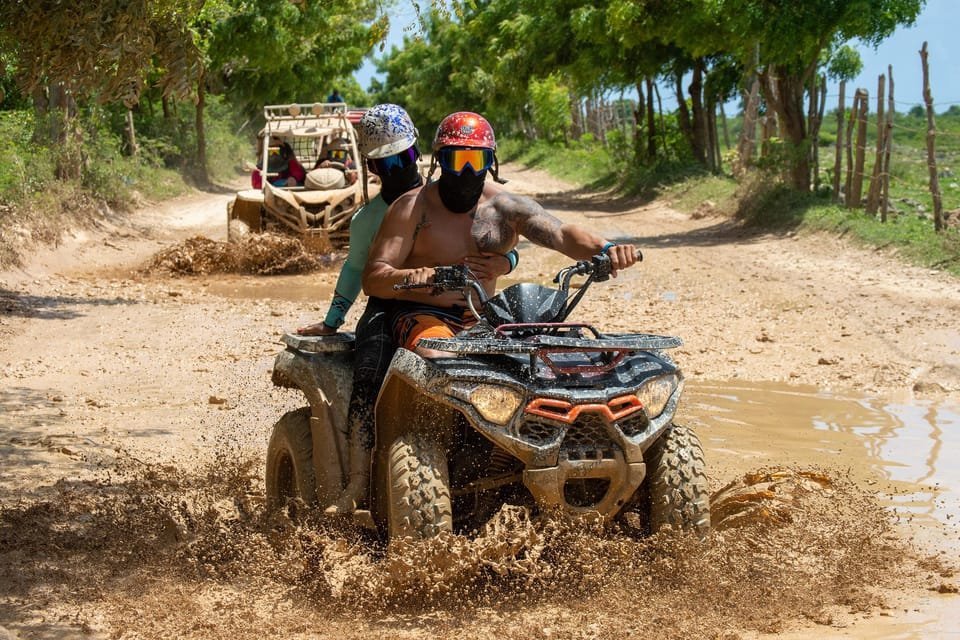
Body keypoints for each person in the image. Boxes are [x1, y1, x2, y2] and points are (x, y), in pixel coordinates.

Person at [295, 104, 520, 513]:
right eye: (386, 161)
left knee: (515, 362)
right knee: (368, 376)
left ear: (419, 154)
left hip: (465, 309)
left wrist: (507, 263)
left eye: (403, 156)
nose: (397, 167)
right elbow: (356, 270)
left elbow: (506, 245)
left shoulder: (449, 200)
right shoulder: (370, 218)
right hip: (391, 306)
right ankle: (359, 482)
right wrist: (332, 322)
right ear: (371, 165)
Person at [362, 111, 639, 358]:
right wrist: (421, 277)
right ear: (439, 161)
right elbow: (373, 278)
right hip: (421, 313)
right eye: (457, 160)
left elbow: (562, 234)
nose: (466, 170)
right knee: (438, 355)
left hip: (487, 316)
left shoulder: (507, 208)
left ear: (491, 163)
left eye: (476, 159)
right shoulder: (411, 208)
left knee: (545, 356)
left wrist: (607, 249)